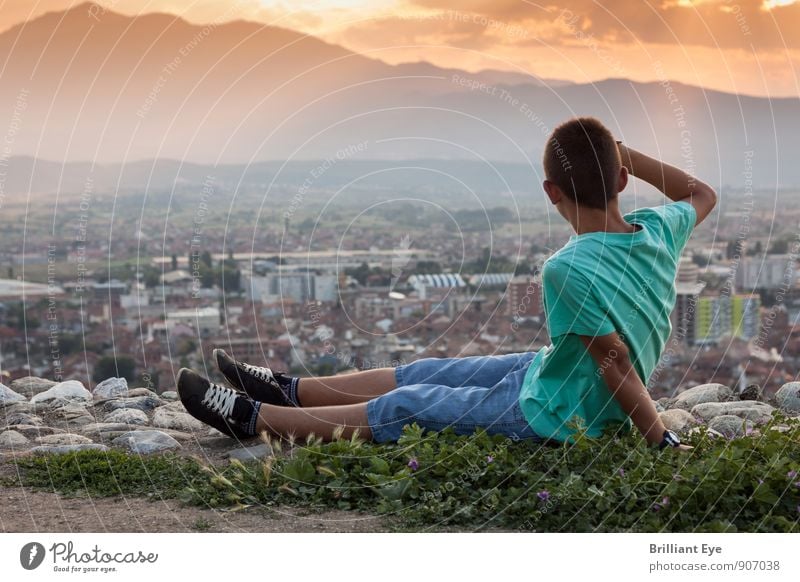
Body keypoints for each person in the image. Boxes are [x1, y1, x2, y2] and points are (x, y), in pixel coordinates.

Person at [177, 117, 716, 451]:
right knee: (431, 372)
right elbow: (702, 193)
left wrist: (658, 437)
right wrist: (625, 153)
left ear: (551, 192)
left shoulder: (567, 267)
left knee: (408, 403)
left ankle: (256, 420)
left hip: (570, 413)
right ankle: (290, 390)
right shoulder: (659, 230)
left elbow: (616, 360)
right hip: (558, 377)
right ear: (623, 179)